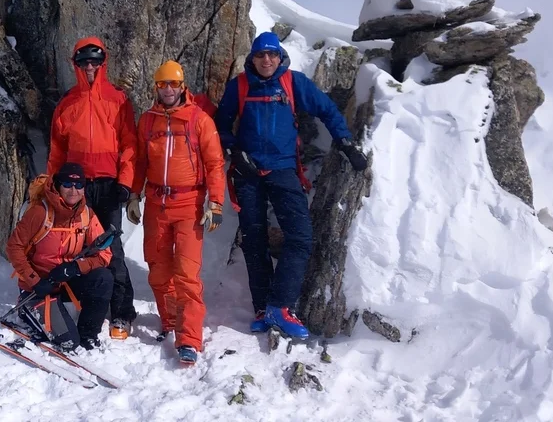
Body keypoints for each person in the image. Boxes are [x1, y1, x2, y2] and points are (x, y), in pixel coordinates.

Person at [214, 32, 369, 339]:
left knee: (300, 237)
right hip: (248, 171)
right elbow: (220, 125)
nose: (267, 60)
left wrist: (345, 142)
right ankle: (263, 309)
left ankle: (280, 305)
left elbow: (326, 109)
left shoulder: (293, 83)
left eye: (272, 55)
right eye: (261, 55)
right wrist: (235, 151)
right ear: (253, 59)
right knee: (254, 240)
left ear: (280, 57)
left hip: (284, 169)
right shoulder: (240, 86)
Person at [125, 60, 226, 366]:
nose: (167, 90)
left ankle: (189, 338)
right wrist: (134, 194)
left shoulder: (199, 120)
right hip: (156, 202)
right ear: (156, 87)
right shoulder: (148, 121)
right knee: (157, 267)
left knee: (186, 274)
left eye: (173, 84)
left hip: (189, 205)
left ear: (182, 87)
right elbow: (140, 161)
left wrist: (215, 203)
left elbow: (214, 164)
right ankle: (170, 321)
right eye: (162, 84)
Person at [47, 37, 139, 339]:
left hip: (109, 186)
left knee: (111, 249)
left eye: (95, 61)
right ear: (75, 64)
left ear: (103, 63)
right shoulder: (67, 103)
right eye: (84, 61)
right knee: (73, 247)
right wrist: (52, 186)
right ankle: (82, 302)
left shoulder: (117, 99)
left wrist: (125, 183)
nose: (89, 67)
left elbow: (129, 144)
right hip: (77, 189)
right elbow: (57, 151)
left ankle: (122, 312)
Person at [6, 163, 114, 351]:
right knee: (68, 342)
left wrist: (76, 267)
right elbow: (14, 247)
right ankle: (27, 309)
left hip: (67, 281)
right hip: (39, 286)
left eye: (79, 185)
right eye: (68, 185)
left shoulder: (86, 215)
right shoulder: (40, 212)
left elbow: (105, 254)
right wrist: (34, 280)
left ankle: (88, 334)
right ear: (57, 186)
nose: (74, 191)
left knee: (103, 278)